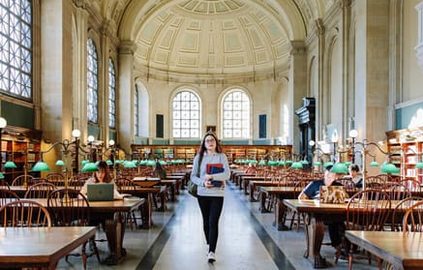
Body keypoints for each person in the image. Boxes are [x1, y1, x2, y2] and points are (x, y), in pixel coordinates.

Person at [190, 132, 230, 263]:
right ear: (204, 143)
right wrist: (203, 182)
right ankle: (209, 242)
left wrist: (212, 177)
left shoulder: (221, 156)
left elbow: (227, 174)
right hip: (203, 193)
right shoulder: (199, 158)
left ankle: (211, 251)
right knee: (206, 221)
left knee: (213, 222)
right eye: (207, 140)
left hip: (217, 193)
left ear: (216, 142)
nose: (210, 142)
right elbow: (193, 177)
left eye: (212, 140)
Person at [298, 165, 346, 257]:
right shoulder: (314, 184)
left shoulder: (339, 186)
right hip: (316, 213)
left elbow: (344, 199)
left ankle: (342, 248)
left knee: (339, 223)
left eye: (332, 175)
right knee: (325, 223)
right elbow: (301, 197)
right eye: (328, 175)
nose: (330, 177)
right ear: (325, 174)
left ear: (336, 176)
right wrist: (314, 201)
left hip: (334, 213)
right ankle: (316, 251)